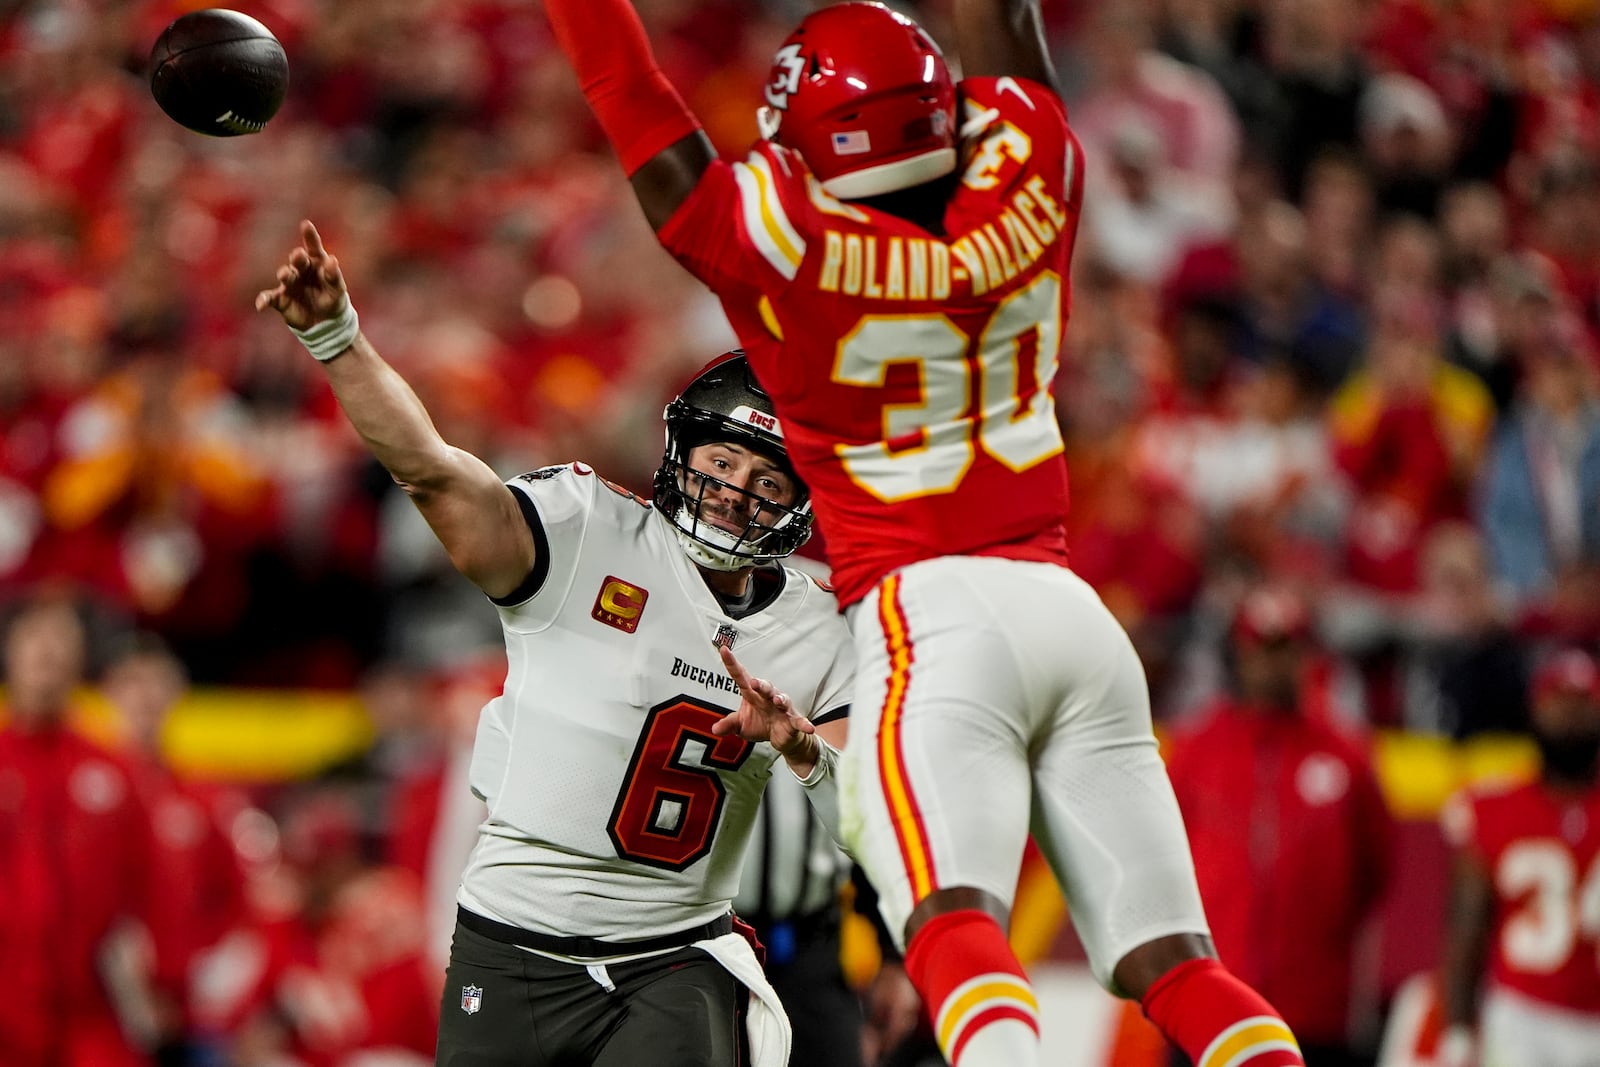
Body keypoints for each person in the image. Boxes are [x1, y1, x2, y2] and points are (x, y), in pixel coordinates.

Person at [541, 1, 1306, 1065]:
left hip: (930, 620)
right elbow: (1004, 31)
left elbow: (633, 96)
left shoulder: (784, 239)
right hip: (1069, 613)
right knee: (1179, 966)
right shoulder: (1036, 170)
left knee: (951, 929)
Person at [254, 221, 854, 1067]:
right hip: (514, 937)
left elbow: (875, 824)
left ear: (798, 503)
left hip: (674, 950)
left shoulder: (822, 620)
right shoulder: (586, 531)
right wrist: (336, 339)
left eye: (766, 481)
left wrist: (801, 751)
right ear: (683, 454)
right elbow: (431, 470)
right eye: (723, 463)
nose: (732, 494)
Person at [1166, 589, 1395, 1067]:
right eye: (1261, 650)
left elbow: (1376, 868)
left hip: (1314, 1009)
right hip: (1210, 998)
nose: (1273, 665)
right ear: (1241, 656)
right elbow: (1165, 857)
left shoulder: (1346, 753)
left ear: (1306, 656)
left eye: (1286, 649)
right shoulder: (1197, 749)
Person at [0, 598, 155, 1067]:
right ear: (10, 651)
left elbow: (145, 888)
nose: (47, 652)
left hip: (88, 1008)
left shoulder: (113, 769)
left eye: (61, 638)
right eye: (35, 637)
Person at [1437, 647, 1600, 1067]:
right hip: (1523, 1017)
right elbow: (1466, 928)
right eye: (1558, 704)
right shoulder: (1494, 806)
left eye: (1581, 705)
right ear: (1535, 710)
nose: (1569, 718)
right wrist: (1456, 1031)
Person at [101, 633, 247, 1067]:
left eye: (155, 684)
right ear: (109, 692)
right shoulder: (87, 789)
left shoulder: (204, 800)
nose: (144, 697)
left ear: (176, 695)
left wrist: (206, 986)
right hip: (100, 1006)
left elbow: (240, 900)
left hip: (186, 1012)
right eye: (131, 683)